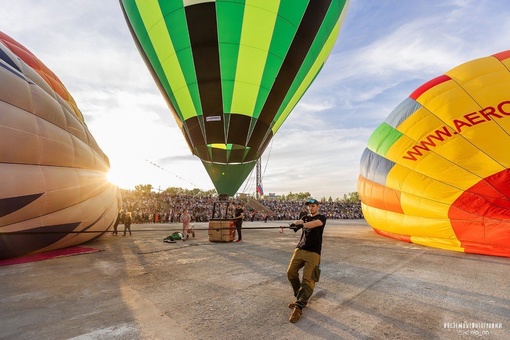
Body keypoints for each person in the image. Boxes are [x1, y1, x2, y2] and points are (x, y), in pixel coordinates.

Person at [286, 198, 327, 323]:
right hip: (300, 249)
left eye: (313, 206)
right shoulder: (304, 217)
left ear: (317, 206)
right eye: (309, 206)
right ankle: (300, 297)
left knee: (308, 280)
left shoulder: (322, 217)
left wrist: (302, 224)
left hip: (313, 252)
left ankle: (299, 307)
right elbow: (298, 222)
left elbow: (315, 224)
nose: (311, 208)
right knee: (290, 272)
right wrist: (294, 223)